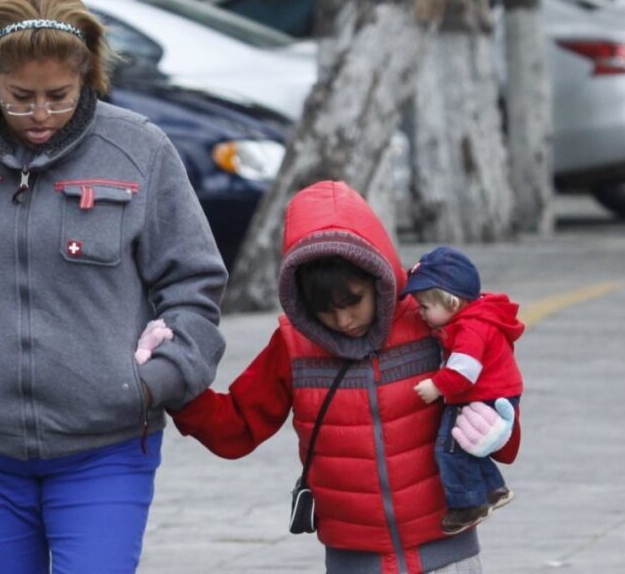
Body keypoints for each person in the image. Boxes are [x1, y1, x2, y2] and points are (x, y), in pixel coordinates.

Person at [0, 0, 228, 571]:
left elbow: (194, 283)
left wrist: (154, 383)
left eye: (59, 96)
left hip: (105, 446)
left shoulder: (140, 149)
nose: (40, 114)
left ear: (85, 77)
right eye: (20, 98)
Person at [169, 180, 520, 574]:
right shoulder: (293, 346)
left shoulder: (430, 324)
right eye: (325, 308)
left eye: (353, 301)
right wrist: (173, 386)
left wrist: (501, 428)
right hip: (354, 562)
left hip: (448, 554)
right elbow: (235, 428)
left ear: (377, 277)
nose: (343, 320)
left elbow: (498, 408)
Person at [401, 246, 525, 535]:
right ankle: (494, 489)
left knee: (450, 447)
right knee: (471, 445)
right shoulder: (469, 319)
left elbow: (464, 370)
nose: (420, 313)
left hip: (484, 393)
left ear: (452, 302)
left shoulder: (471, 328)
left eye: (424, 306)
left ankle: (467, 505)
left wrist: (436, 386)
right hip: (494, 390)